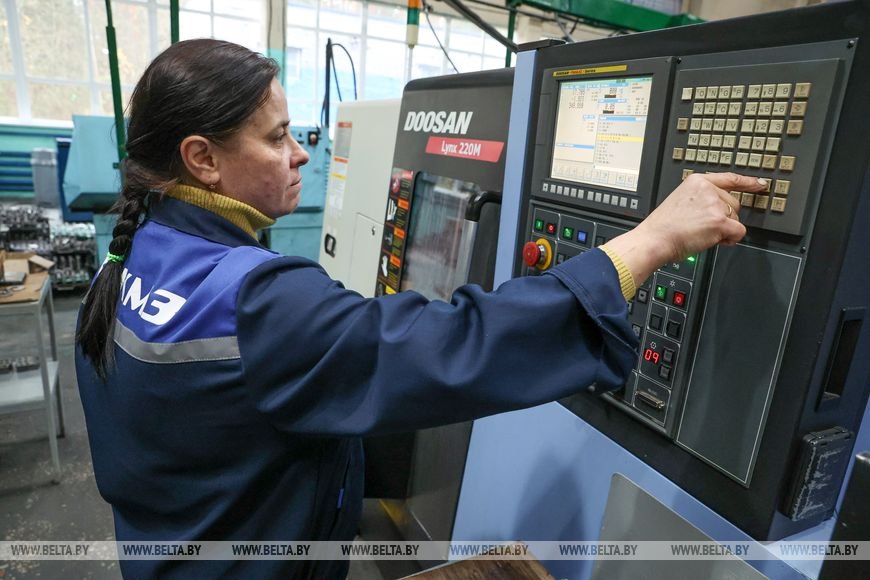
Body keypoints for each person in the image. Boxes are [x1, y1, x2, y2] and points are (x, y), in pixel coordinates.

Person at [74, 38, 765, 579]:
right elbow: (455, 343)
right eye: (277, 137)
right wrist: (646, 245)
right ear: (202, 159)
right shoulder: (256, 300)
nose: (300, 155)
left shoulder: (131, 256)